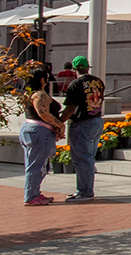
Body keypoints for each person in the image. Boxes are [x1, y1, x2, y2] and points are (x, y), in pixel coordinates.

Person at [60, 54, 105, 202]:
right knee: (89, 157)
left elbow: (70, 108)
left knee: (81, 159)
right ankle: (85, 189)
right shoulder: (98, 81)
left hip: (82, 123)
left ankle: (85, 192)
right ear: (88, 66)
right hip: (96, 121)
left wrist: (59, 122)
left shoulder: (75, 84)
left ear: (74, 68)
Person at [20, 68, 64, 206]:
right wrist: (59, 125)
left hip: (31, 129)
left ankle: (34, 193)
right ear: (41, 80)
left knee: (33, 164)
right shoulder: (39, 94)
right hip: (40, 131)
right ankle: (31, 195)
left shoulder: (27, 94)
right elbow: (43, 113)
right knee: (37, 165)